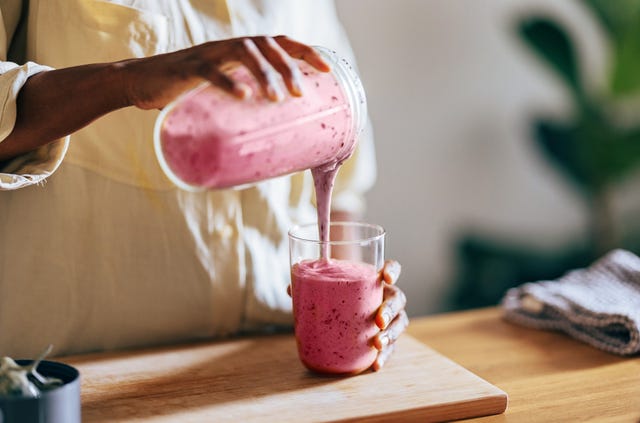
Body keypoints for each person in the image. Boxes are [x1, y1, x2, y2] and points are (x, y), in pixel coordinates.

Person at [0, 0, 408, 370]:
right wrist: (128, 79)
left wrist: (355, 312)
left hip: (273, 366)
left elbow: (344, 181)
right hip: (78, 377)